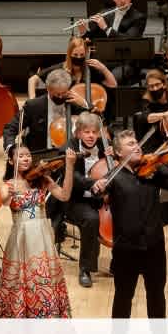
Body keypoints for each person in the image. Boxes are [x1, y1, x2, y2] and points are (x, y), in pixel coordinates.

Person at [91, 131, 168, 318]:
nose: (137, 146)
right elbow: (96, 199)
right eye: (130, 144)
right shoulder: (113, 178)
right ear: (119, 153)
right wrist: (96, 188)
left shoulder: (153, 170)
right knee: (123, 297)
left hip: (154, 246)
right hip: (126, 249)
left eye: (137, 142)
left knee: (156, 295)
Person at [0, 146, 77, 318]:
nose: (26, 159)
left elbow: (64, 195)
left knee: (43, 276)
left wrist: (69, 166)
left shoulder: (41, 179)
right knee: (20, 278)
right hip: (21, 237)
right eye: (21, 156)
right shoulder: (7, 185)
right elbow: (4, 202)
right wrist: (10, 195)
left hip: (41, 235)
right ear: (10, 161)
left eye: (28, 155)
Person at [64, 113, 112, 287]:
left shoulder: (104, 145)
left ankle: (118, 261)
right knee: (91, 220)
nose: (91, 135)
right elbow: (74, 178)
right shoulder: (70, 147)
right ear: (78, 133)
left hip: (102, 199)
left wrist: (115, 156)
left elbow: (114, 170)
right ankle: (85, 268)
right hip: (77, 199)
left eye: (94, 132)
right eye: (86, 132)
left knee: (125, 212)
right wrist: (93, 182)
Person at [3, 69, 85, 154]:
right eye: (57, 94)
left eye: (64, 93)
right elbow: (10, 128)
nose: (61, 97)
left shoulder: (74, 103)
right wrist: (10, 148)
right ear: (48, 89)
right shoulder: (33, 106)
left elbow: (94, 121)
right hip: (41, 154)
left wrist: (84, 103)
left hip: (69, 154)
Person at [28, 36, 117, 101]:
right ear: (69, 55)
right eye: (75, 55)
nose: (78, 57)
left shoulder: (90, 70)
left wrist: (103, 68)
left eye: (82, 55)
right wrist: (32, 98)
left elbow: (113, 84)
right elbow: (32, 80)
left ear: (86, 54)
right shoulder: (61, 68)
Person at [78, 0, 146, 40]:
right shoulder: (104, 13)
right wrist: (83, 32)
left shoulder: (138, 17)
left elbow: (129, 39)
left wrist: (105, 28)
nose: (122, 0)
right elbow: (93, 39)